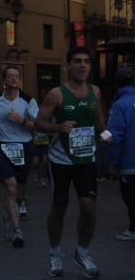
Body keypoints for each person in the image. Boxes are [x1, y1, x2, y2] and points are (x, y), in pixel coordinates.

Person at [34, 46, 108, 278]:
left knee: (88, 207)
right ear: (68, 66)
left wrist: (106, 134)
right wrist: (59, 127)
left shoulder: (95, 91)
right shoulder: (56, 94)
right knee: (59, 208)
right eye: (77, 61)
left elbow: (98, 119)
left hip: (86, 158)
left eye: (86, 61)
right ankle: (55, 253)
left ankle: (82, 252)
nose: (83, 65)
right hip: (61, 160)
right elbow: (38, 123)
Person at [0, 66, 38, 247]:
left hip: (24, 146)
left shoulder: (28, 101)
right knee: (11, 189)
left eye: (17, 76)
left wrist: (21, 120)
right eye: (10, 76)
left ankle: (9, 215)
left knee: (20, 193)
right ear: (4, 81)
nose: (14, 79)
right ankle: (17, 230)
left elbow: (37, 125)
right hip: (3, 147)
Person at [106, 67, 135, 241]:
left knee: (130, 196)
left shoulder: (119, 105)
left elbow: (114, 136)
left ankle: (133, 228)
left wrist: (112, 161)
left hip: (129, 161)